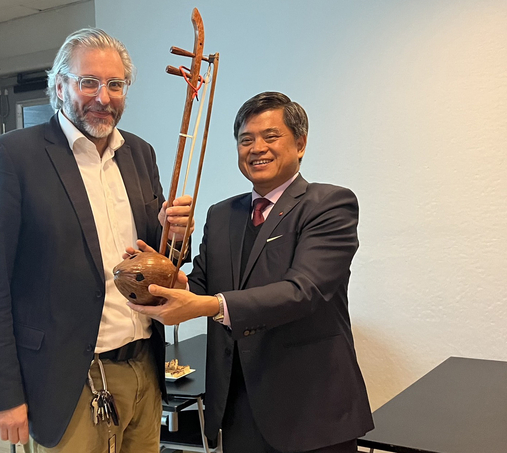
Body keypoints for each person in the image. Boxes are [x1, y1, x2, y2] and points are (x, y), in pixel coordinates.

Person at [0, 28, 193, 453]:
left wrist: (174, 234)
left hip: (143, 366)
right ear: (60, 85)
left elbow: (153, 256)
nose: (103, 97)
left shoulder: (140, 153)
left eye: (115, 84)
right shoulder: (12, 157)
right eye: (89, 82)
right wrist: (1, 395)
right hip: (68, 380)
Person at [128, 92, 374, 453]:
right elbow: (197, 286)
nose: (257, 148)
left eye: (271, 136)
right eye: (246, 139)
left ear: (300, 143)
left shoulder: (329, 205)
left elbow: (302, 291)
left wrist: (210, 306)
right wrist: (164, 264)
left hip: (311, 411)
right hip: (237, 409)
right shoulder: (221, 214)